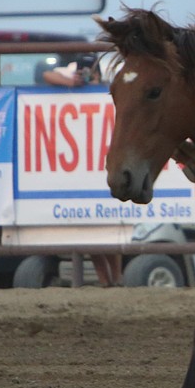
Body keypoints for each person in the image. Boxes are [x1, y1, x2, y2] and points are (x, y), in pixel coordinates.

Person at [41, 54, 123, 286]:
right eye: (83, 72)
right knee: (92, 229)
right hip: (83, 161)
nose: (86, 76)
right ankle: (106, 279)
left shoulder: (106, 89)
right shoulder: (72, 86)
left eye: (90, 73)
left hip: (97, 156)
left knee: (106, 225)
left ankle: (115, 277)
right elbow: (47, 75)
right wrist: (71, 82)